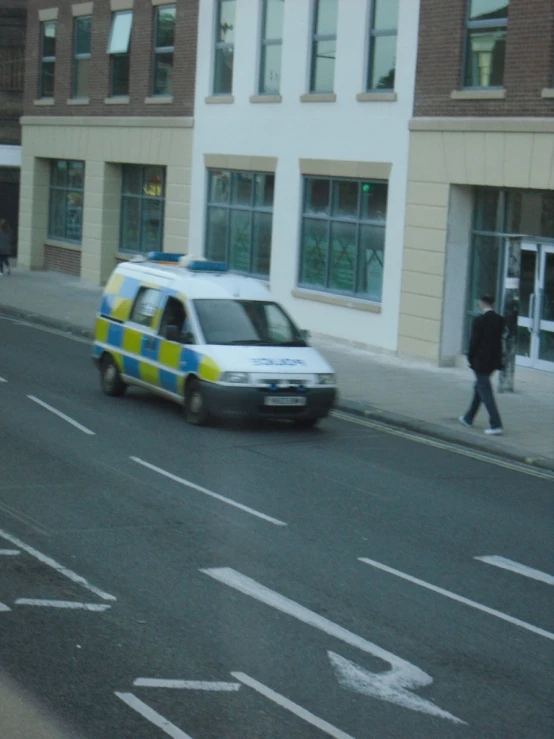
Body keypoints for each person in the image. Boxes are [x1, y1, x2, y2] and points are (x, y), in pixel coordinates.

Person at [459, 294, 504, 435]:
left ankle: (496, 424)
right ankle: (468, 418)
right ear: (493, 304)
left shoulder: (479, 320)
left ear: (482, 304)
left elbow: (474, 342)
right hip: (493, 362)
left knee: (485, 392)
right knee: (479, 387)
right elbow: (499, 342)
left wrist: (470, 358)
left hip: (480, 361)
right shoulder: (500, 320)